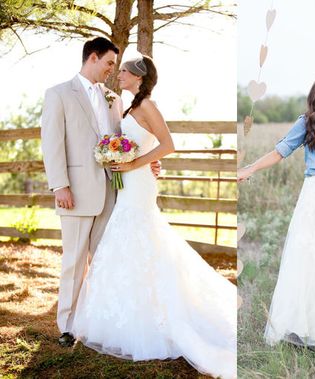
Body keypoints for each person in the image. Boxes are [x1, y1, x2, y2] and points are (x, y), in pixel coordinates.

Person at [70, 55, 237, 379]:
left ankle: (159, 314)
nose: (118, 74)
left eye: (123, 71)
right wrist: (123, 156)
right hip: (130, 180)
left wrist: (136, 164)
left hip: (139, 182)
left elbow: (168, 144)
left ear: (137, 76)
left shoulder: (147, 105)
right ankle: (133, 311)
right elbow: (141, 143)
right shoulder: (131, 106)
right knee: (129, 239)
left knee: (141, 233)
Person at [41, 37, 161, 348]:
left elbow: (123, 140)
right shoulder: (58, 94)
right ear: (92, 58)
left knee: (106, 258)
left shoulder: (114, 99)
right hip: (76, 192)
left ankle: (95, 319)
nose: (112, 70)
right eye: (109, 63)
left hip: (113, 191)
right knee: (75, 260)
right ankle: (67, 326)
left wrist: (151, 158)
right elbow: (51, 143)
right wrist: (60, 185)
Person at [238, 74, 315, 352]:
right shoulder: (308, 122)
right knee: (311, 258)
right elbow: (280, 151)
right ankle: (304, 326)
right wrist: (249, 169)